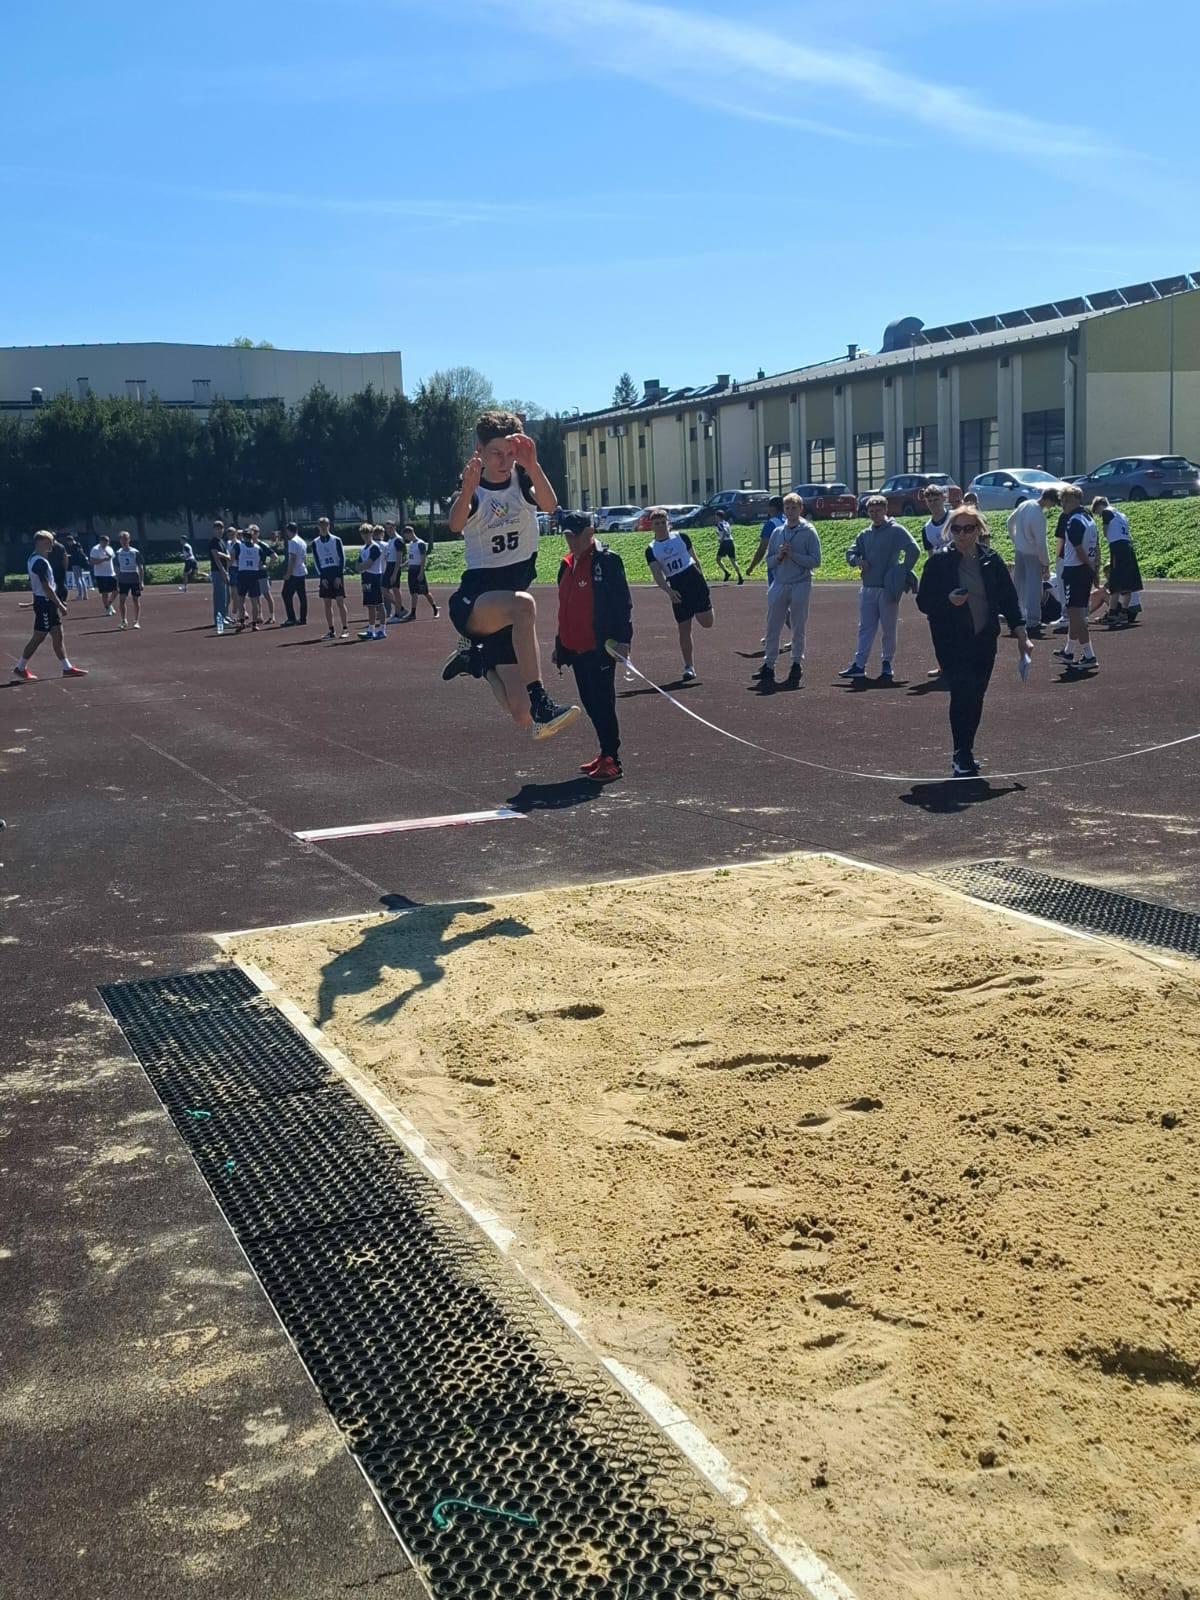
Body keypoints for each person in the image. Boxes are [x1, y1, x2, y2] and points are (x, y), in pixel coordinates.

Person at [442, 409, 579, 740]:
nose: (504, 461)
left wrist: (533, 465)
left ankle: (475, 661)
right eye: (496, 453)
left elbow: (550, 505)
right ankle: (543, 702)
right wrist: (467, 489)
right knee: (524, 605)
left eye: (509, 453)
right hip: (477, 601)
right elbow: (455, 524)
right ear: (480, 450)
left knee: (520, 713)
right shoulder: (472, 488)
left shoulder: (524, 479)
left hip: (511, 612)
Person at [916, 506, 1029, 777]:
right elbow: (923, 602)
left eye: (968, 528)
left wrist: (1022, 635)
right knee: (961, 692)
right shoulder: (938, 562)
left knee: (976, 694)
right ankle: (961, 752)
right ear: (949, 531)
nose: (962, 534)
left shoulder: (991, 559)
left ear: (979, 530)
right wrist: (948, 600)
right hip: (952, 641)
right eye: (956, 529)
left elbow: (1008, 599)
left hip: (984, 638)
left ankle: (967, 748)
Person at [552, 512, 633, 782]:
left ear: (590, 532)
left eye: (575, 535)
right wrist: (560, 644)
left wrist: (624, 641)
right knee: (590, 701)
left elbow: (623, 604)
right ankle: (605, 751)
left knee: (603, 702)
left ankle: (612, 759)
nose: (571, 540)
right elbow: (565, 608)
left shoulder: (607, 561)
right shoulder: (566, 564)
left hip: (599, 647)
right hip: (575, 648)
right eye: (567, 535)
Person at [839, 495, 920, 681]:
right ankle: (859, 665)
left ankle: (887, 664)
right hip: (868, 587)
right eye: (871, 511)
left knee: (888, 628)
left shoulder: (896, 530)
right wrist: (858, 560)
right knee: (865, 628)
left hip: (887, 588)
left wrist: (902, 571)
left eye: (878, 510)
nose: (874, 514)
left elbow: (913, 549)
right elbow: (850, 552)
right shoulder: (865, 534)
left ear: (886, 510)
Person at [756, 492, 821, 692]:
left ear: (801, 509)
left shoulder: (809, 531)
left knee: (798, 624)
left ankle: (796, 663)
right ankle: (769, 664)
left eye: (794, 508)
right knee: (772, 625)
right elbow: (769, 561)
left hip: (801, 583)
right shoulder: (777, 532)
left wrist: (794, 555)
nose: (790, 511)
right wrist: (779, 556)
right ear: (783, 510)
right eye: (787, 508)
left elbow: (815, 561)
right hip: (780, 583)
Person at [645, 506, 713, 682]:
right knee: (684, 627)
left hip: (693, 579)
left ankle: (704, 606)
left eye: (663, 522)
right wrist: (669, 591)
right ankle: (689, 666)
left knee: (707, 623)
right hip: (676, 585)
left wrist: (702, 581)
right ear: (652, 526)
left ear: (668, 523)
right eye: (657, 523)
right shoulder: (651, 549)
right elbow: (657, 575)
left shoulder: (681, 537)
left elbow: (695, 559)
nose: (660, 526)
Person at [12, 531, 89, 681]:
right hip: (45, 604)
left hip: (45, 603)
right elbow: (46, 587)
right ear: (41, 542)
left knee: (57, 633)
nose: (52, 545)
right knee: (39, 636)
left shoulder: (35, 559)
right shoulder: (39, 561)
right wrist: (59, 604)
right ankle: (20, 667)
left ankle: (67, 667)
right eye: (49, 542)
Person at [1053, 486, 1099, 675]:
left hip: (1075, 571)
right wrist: (1094, 569)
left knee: (1077, 615)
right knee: (1075, 614)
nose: (1064, 504)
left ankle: (1089, 655)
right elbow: (1096, 547)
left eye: (1068, 501)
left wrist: (1089, 567)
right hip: (1084, 570)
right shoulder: (1089, 518)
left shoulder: (1074, 521)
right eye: (1062, 501)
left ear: (1078, 501)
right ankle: (1069, 651)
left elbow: (1079, 550)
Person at [1006, 490, 1055, 640]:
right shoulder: (1039, 515)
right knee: (1034, 587)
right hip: (1032, 553)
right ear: (1049, 500)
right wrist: (1045, 562)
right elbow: (1041, 542)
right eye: (1053, 503)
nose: (1052, 506)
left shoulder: (1025, 504)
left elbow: (1009, 522)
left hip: (1019, 550)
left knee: (1019, 585)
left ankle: (1017, 618)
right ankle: (1033, 622)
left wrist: (1016, 540)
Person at [1091, 497, 1144, 628]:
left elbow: (1105, 532)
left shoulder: (1107, 512)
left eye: (1098, 512)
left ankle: (1112, 613)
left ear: (1100, 506)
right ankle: (1124, 613)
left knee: (1115, 581)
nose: (1099, 515)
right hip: (1128, 546)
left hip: (1117, 547)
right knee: (1128, 582)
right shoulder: (1121, 515)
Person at [746, 494, 788, 654]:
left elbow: (762, 548)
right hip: (791, 567)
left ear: (772, 508)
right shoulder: (788, 521)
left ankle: (773, 637)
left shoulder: (771, 524)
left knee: (775, 603)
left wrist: (751, 567)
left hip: (776, 568)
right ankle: (794, 635)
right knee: (783, 605)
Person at [313, 518, 349, 639]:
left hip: (336, 572)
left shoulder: (336, 540)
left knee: (340, 601)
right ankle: (331, 630)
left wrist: (339, 575)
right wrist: (321, 577)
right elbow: (316, 560)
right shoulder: (315, 542)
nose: (323, 527)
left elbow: (342, 558)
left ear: (329, 525)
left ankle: (345, 628)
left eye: (325, 525)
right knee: (327, 603)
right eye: (321, 525)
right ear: (318, 527)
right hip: (325, 573)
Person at [234, 524, 268, 631]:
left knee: (241, 599)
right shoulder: (258, 548)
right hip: (254, 574)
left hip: (243, 574)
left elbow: (233, 557)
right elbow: (261, 563)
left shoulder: (239, 546)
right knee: (254, 600)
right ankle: (254, 624)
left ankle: (242, 622)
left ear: (244, 537)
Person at [357, 522, 387, 640]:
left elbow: (368, 564)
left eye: (367, 533)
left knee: (379, 604)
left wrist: (361, 567)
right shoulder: (363, 548)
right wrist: (361, 567)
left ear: (371, 534)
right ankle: (371, 630)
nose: (365, 536)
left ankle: (382, 630)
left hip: (375, 577)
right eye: (363, 534)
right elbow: (358, 565)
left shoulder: (375, 547)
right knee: (370, 605)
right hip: (365, 578)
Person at [404, 525, 439, 618]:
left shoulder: (420, 543)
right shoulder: (411, 544)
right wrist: (403, 565)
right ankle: (413, 613)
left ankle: (435, 609)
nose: (406, 538)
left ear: (410, 533)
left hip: (418, 569)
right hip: (411, 570)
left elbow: (423, 559)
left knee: (425, 592)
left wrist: (421, 572)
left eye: (406, 536)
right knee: (413, 592)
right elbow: (411, 558)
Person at [113, 530, 144, 629]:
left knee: (135, 600)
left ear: (129, 539)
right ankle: (123, 620)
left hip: (134, 578)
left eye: (126, 539)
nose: (124, 541)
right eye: (122, 539)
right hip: (123, 579)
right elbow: (116, 568)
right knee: (122, 600)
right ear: (120, 540)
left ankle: (136, 620)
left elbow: (140, 567)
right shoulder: (118, 553)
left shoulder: (135, 552)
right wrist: (117, 581)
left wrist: (141, 581)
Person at [280, 520, 309, 626]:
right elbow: (304, 557)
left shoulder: (292, 541)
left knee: (286, 594)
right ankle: (303, 618)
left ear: (289, 531)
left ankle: (291, 618)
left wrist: (288, 573)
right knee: (302, 596)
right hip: (301, 570)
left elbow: (292, 559)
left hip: (294, 573)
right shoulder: (302, 541)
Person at [381, 521, 408, 624]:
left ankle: (397, 614)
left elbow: (399, 559)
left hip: (394, 567)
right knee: (384, 589)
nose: (388, 530)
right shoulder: (390, 540)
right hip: (389, 566)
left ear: (394, 527)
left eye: (390, 528)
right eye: (387, 528)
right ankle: (400, 608)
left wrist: (395, 573)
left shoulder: (398, 540)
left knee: (396, 590)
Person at [208, 520, 230, 632]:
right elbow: (216, 558)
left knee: (225, 596)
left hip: (224, 571)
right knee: (219, 597)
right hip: (218, 572)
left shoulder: (222, 541)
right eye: (217, 528)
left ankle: (224, 616)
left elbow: (228, 556)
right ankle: (219, 620)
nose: (219, 530)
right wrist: (223, 571)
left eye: (221, 528)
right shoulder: (213, 542)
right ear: (213, 530)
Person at [89, 533, 117, 616]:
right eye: (105, 542)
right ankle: (107, 608)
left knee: (116, 590)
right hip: (101, 574)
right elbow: (92, 561)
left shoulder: (110, 548)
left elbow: (112, 558)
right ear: (101, 541)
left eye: (108, 542)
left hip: (111, 573)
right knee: (105, 592)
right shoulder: (95, 549)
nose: (106, 543)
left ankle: (109, 603)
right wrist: (103, 559)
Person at [714, 511, 744, 584]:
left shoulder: (720, 523)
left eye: (716, 516)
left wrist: (721, 540)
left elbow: (725, 531)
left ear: (718, 516)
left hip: (725, 543)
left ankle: (726, 572)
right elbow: (727, 531)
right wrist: (719, 534)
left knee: (718, 559)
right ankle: (740, 576)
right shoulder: (726, 523)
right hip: (730, 542)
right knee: (733, 561)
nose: (715, 517)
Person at [66, 535, 88, 600]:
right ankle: (85, 595)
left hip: (76, 563)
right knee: (81, 578)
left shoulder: (74, 546)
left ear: (70, 541)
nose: (68, 543)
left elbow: (75, 555)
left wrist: (69, 556)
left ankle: (80, 595)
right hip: (80, 563)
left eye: (68, 542)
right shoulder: (79, 544)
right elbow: (82, 552)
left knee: (77, 579)